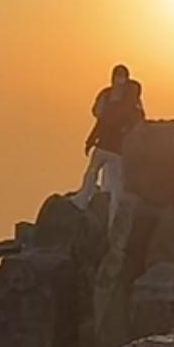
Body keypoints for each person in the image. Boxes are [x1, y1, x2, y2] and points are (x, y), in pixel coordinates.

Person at [70, 63, 145, 225]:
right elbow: (100, 121)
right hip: (108, 146)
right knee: (94, 175)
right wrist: (90, 141)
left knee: (108, 182)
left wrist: (91, 141)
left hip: (113, 148)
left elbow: (102, 119)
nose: (119, 81)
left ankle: (107, 215)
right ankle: (86, 201)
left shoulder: (125, 101)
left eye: (121, 77)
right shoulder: (115, 98)